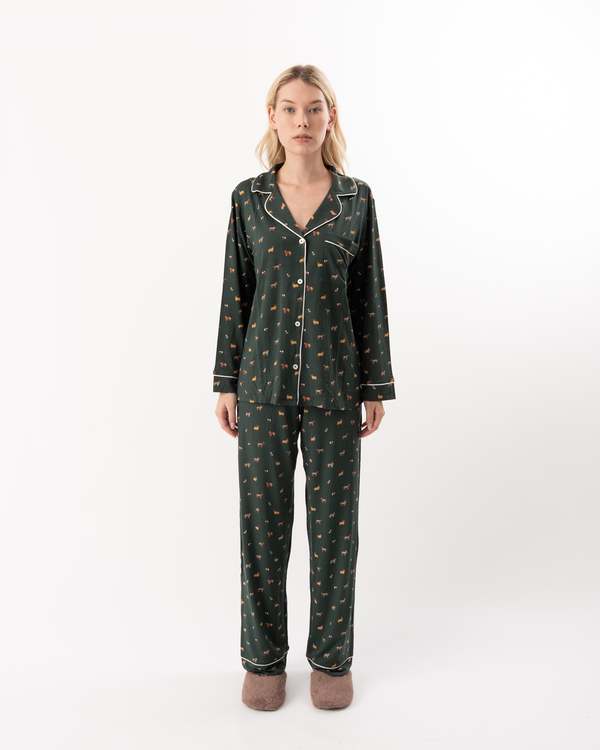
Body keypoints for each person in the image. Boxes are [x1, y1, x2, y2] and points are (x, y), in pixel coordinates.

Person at [212, 64, 396, 711]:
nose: (301, 121)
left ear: (329, 117)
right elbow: (236, 293)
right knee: (262, 528)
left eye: (313, 108)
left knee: (335, 531)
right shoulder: (248, 200)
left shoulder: (356, 200)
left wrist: (375, 385)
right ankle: (263, 662)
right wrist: (226, 382)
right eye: (289, 109)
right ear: (273, 118)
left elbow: (368, 296)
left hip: (336, 387)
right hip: (260, 387)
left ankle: (331, 661)